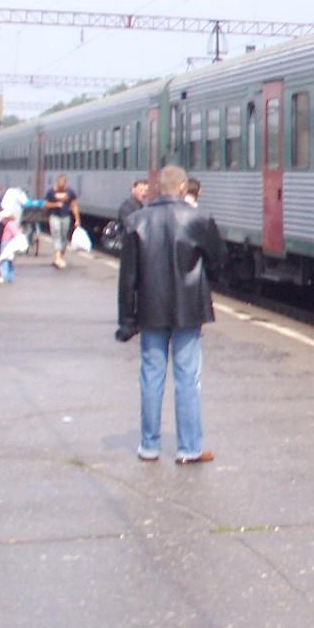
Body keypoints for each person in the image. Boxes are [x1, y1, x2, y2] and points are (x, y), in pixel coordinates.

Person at [116, 164, 226, 465]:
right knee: (187, 377)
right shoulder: (199, 219)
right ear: (182, 188)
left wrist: (126, 320)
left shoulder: (136, 221)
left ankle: (149, 446)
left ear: (156, 189)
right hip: (189, 309)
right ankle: (189, 448)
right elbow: (218, 261)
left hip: (150, 310)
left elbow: (127, 277)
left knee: (151, 376)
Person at [44, 174, 79, 269]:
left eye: (63, 184)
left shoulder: (70, 192)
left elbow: (74, 205)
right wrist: (55, 204)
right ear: (57, 183)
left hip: (66, 217)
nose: (61, 186)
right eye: (60, 184)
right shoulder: (51, 192)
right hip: (54, 216)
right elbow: (46, 204)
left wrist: (77, 220)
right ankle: (58, 258)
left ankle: (60, 257)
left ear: (65, 183)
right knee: (57, 235)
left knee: (64, 237)